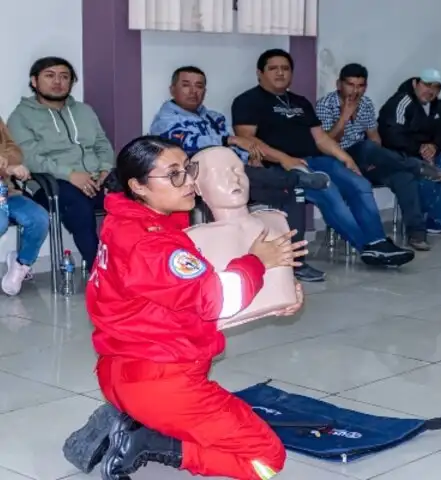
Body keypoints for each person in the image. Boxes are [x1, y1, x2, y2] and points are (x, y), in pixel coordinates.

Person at [90, 136, 307, 480]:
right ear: (139, 186)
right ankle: (148, 440)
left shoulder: (132, 222)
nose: (190, 181)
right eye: (174, 175)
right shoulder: (151, 243)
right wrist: (255, 263)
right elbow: (214, 299)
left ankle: (138, 419)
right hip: (160, 381)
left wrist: (272, 301)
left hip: (128, 369)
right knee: (265, 460)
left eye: (189, 169)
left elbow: (183, 302)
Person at [232, 49, 414, 266]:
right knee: (328, 191)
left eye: (285, 68)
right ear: (259, 73)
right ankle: (367, 247)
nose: (280, 73)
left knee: (359, 183)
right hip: (283, 168)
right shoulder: (247, 101)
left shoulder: (300, 102)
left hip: (317, 159)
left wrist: (345, 158)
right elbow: (248, 139)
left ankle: (377, 241)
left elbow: (320, 139)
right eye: (273, 68)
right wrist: (284, 158)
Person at [149, 65, 327, 282]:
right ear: (172, 89)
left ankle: (292, 259)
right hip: (197, 179)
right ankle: (295, 176)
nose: (193, 91)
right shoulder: (166, 119)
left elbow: (235, 150)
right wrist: (229, 140)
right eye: (186, 85)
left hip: (231, 175)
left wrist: (248, 157)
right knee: (280, 180)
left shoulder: (214, 117)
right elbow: (188, 143)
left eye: (199, 86)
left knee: (292, 191)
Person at [7, 56, 114, 269]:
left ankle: (137, 266)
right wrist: (70, 174)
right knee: (78, 206)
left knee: (133, 197)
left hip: (95, 179)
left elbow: (102, 144)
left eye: (64, 77)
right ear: (34, 81)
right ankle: (99, 272)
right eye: (50, 76)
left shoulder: (84, 111)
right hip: (51, 185)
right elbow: (29, 157)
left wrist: (104, 169)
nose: (58, 82)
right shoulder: (21, 116)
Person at [316, 63, 430, 250]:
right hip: (336, 161)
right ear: (339, 84)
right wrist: (344, 117)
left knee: (403, 177)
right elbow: (325, 144)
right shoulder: (325, 105)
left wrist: (376, 160)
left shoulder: (366, 103)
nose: (355, 90)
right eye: (350, 85)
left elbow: (374, 137)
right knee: (366, 147)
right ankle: (415, 165)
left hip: (365, 160)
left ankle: (416, 233)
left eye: (360, 86)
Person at [377, 67, 441, 235]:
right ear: (416, 83)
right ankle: (420, 215)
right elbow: (391, 135)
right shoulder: (401, 101)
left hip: (430, 154)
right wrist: (419, 148)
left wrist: (434, 146)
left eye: (436, 87)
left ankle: (435, 219)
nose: (431, 91)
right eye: (427, 85)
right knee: (427, 174)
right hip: (403, 154)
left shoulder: (439, 106)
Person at [0, 117, 49, 296]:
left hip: (7, 192)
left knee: (39, 218)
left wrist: (7, 160)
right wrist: (6, 168)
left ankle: (21, 263)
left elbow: (15, 150)